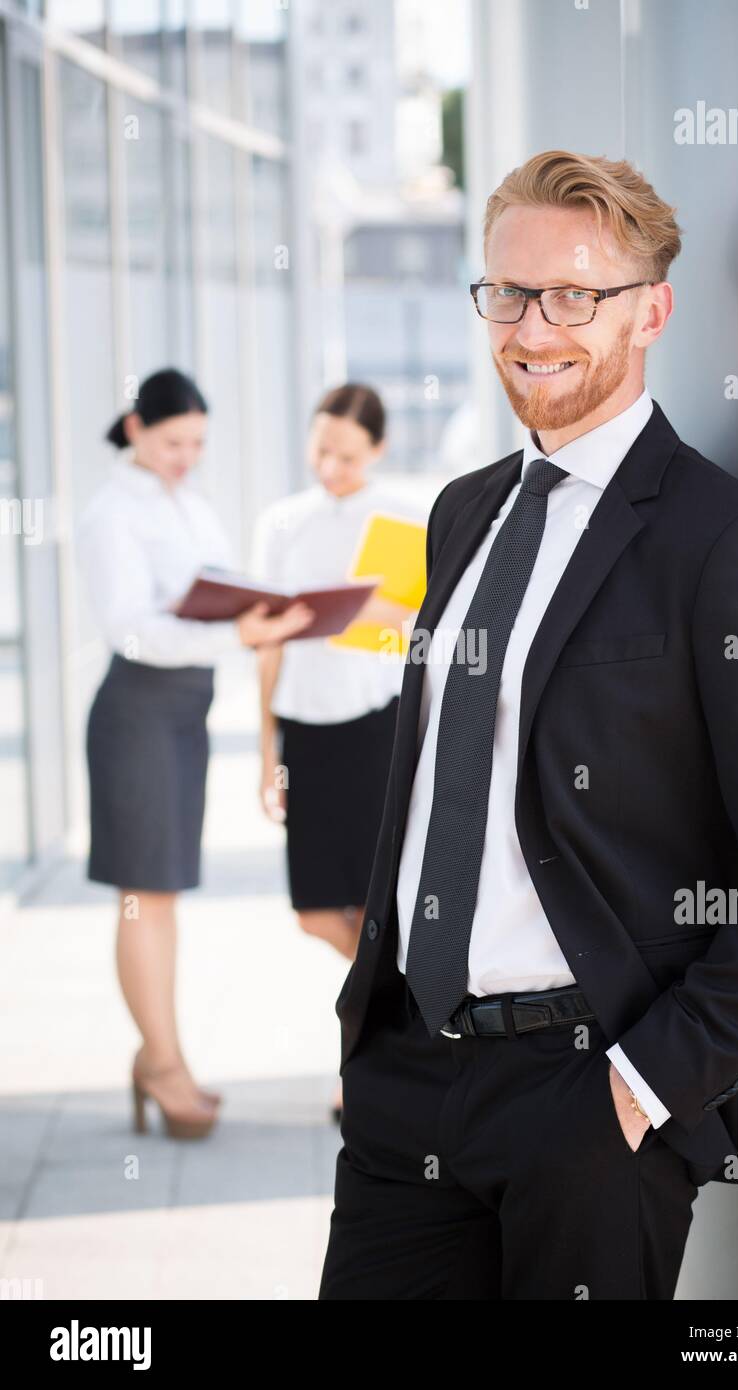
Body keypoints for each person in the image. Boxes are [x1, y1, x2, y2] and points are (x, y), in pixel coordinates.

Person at [318, 151, 738, 1299]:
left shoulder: (723, 541)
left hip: (583, 1100)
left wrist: (637, 1086)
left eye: (575, 295)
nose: (533, 325)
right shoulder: (463, 512)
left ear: (650, 311)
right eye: (507, 293)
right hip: (407, 1082)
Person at [77, 368, 313, 1141]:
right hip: (140, 709)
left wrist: (263, 611)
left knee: (166, 891)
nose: (186, 456)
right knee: (145, 894)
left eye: (198, 444)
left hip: (185, 711)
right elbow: (130, 629)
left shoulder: (189, 503)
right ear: (136, 428)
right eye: (174, 441)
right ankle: (163, 1066)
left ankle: (161, 1055)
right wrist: (232, 634)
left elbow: (215, 589)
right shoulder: (112, 512)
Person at [251, 383, 429, 1120]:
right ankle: (401, 1011)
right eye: (321, 450)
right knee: (318, 912)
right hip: (307, 733)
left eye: (348, 456)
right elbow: (263, 642)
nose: (331, 467)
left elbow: (419, 622)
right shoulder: (282, 523)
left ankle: (363, 1058)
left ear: (378, 451)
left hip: (374, 730)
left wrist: (348, 612)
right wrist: (267, 753)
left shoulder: (403, 517)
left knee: (377, 901)